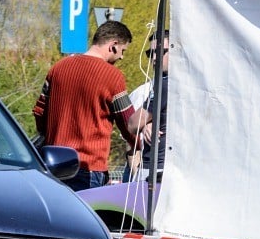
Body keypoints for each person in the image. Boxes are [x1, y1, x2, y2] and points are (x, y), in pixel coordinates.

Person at [33, 20, 149, 191]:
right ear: (113, 45)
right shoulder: (112, 76)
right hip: (89, 168)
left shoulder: (58, 68)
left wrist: (50, 136)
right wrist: (140, 144)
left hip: (53, 165)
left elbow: (39, 112)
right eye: (123, 51)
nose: (122, 57)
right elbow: (128, 123)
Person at [124, 31, 169, 183]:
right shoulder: (142, 91)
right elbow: (130, 135)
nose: (155, 58)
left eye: (161, 51)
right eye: (151, 53)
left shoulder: (169, 86)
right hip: (148, 168)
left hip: (161, 170)